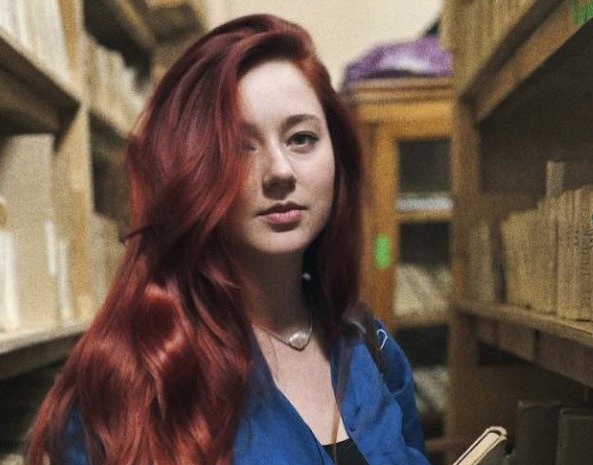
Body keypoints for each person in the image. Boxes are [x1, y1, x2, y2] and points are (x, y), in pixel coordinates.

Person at [27, 14, 432, 465]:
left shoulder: (373, 349)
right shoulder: (132, 379)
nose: (279, 171)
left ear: (338, 157)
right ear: (191, 172)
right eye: (240, 146)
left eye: (301, 138)